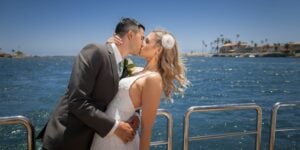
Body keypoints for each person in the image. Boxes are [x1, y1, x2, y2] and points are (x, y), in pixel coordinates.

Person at [37, 18, 145, 150]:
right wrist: (115, 127)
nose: (143, 43)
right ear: (130, 35)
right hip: (68, 139)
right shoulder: (96, 51)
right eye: (142, 37)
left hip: (94, 141)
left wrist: (136, 115)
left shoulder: (123, 64)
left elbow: (125, 92)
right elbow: (77, 101)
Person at [90, 29, 188, 150]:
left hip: (119, 140)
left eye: (146, 41)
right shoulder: (138, 71)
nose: (141, 43)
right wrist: (111, 47)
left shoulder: (154, 78)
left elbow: (146, 129)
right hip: (111, 132)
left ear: (158, 49)